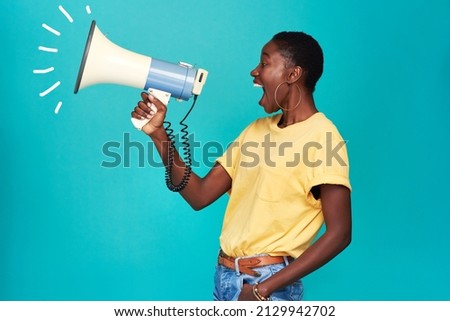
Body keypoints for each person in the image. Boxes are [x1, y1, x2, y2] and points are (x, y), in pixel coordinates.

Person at [131, 31, 351, 301]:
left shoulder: (323, 138)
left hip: (265, 285)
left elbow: (340, 233)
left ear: (293, 74)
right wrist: (158, 134)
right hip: (225, 278)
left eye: (264, 63)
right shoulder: (255, 131)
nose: (254, 72)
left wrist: (263, 289)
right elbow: (199, 195)